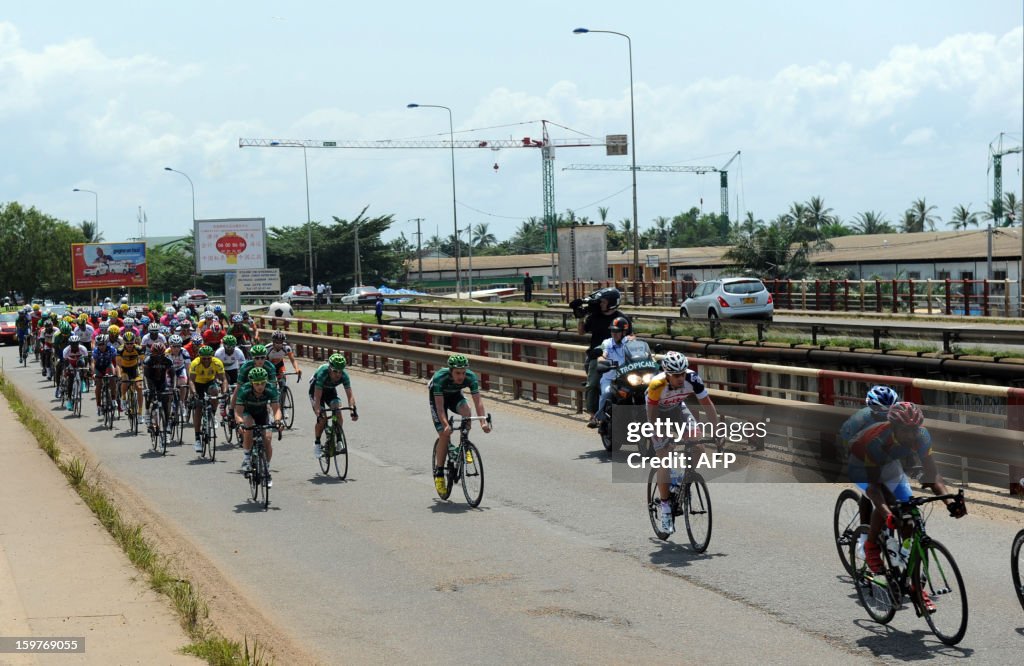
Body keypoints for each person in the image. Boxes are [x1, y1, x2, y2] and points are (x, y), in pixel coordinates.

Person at [848, 402, 966, 595]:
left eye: (914, 430)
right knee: (890, 503)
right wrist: (888, 514)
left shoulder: (922, 436)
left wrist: (950, 502)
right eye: (906, 431)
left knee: (910, 511)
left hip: (890, 462)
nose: (911, 435)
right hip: (861, 463)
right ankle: (870, 547)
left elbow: (932, 475)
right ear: (894, 428)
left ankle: (907, 567)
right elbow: (875, 489)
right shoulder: (877, 441)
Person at [645, 351, 721, 536]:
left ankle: (681, 481)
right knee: (664, 457)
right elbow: (652, 415)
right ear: (667, 373)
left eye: (683, 374)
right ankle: (665, 509)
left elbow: (707, 404)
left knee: (698, 447)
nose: (681, 378)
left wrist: (717, 430)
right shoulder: (657, 384)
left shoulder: (693, 378)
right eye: (676, 375)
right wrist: (661, 435)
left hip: (678, 409)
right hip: (656, 414)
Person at [428, 354, 491, 496]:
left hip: (455, 396)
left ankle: (464, 444)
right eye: (457, 373)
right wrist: (445, 425)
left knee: (467, 412)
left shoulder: (470, 377)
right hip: (438, 398)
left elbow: (478, 401)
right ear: (451, 371)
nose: (461, 376)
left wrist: (483, 422)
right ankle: (439, 473)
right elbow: (439, 408)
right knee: (444, 434)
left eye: (463, 373)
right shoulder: (440, 378)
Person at [576, 288, 629, 428]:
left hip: (620, 357)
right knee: (593, 384)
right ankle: (593, 416)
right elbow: (581, 332)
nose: (600, 304)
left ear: (611, 303)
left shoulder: (621, 318)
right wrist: (580, 316)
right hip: (597, 356)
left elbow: (632, 337)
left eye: (603, 302)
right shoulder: (595, 317)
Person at [235, 366, 284, 483]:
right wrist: (240, 423)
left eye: (262, 383)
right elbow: (238, 412)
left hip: (262, 413)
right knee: (248, 427)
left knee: (267, 438)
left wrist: (278, 421)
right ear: (252, 383)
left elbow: (276, 409)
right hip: (248, 412)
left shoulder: (270, 389)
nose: (260, 386)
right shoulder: (244, 390)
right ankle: (247, 458)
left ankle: (266, 468)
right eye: (257, 384)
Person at [309, 353, 358, 459]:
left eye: (340, 371)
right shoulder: (323, 373)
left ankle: (339, 439)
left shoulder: (344, 376)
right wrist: (318, 412)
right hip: (316, 392)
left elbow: (350, 396)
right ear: (330, 369)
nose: (338, 374)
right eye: (335, 371)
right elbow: (317, 397)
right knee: (322, 419)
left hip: (330, 391)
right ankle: (317, 443)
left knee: (338, 409)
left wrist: (353, 410)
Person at [188, 346, 228, 454]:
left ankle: (212, 414)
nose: (206, 360)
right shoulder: (195, 363)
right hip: (198, 384)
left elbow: (223, 379)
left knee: (215, 392)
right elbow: (191, 381)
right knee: (198, 407)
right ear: (200, 357)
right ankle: (197, 438)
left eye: (208, 358)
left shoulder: (217, 362)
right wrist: (194, 393)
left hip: (210, 382)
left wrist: (224, 392)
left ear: (212, 357)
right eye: (204, 358)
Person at [595, 316, 635, 423]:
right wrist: (602, 361)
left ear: (624, 331)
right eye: (612, 330)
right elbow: (603, 354)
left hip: (627, 379)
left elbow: (642, 354)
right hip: (610, 379)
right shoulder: (607, 343)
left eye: (617, 331)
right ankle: (599, 418)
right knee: (606, 392)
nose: (614, 333)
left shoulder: (631, 342)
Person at [142, 342, 175, 430]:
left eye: (161, 354)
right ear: (152, 353)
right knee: (149, 395)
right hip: (150, 380)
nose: (159, 356)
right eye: (157, 354)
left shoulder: (168, 360)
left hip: (162, 381)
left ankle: (166, 424)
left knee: (166, 402)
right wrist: (146, 388)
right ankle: (148, 412)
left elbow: (173, 375)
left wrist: (174, 387)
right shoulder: (148, 360)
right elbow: (145, 376)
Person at [116, 331, 144, 417]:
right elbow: (118, 364)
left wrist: (143, 371)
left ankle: (139, 412)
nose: (129, 345)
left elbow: (143, 362)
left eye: (131, 343)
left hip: (134, 368)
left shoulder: (138, 349)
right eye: (127, 343)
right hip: (124, 368)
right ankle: (123, 398)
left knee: (139, 388)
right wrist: (119, 374)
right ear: (124, 343)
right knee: (125, 381)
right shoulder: (120, 350)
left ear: (134, 342)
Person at [91, 334, 118, 416]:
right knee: (98, 385)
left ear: (106, 343)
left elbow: (116, 362)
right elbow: (92, 363)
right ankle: (98, 405)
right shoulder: (95, 351)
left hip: (108, 366)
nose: (101, 346)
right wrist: (93, 373)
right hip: (98, 368)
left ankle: (113, 399)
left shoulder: (112, 349)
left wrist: (116, 372)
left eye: (102, 344)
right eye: (99, 344)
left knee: (112, 379)